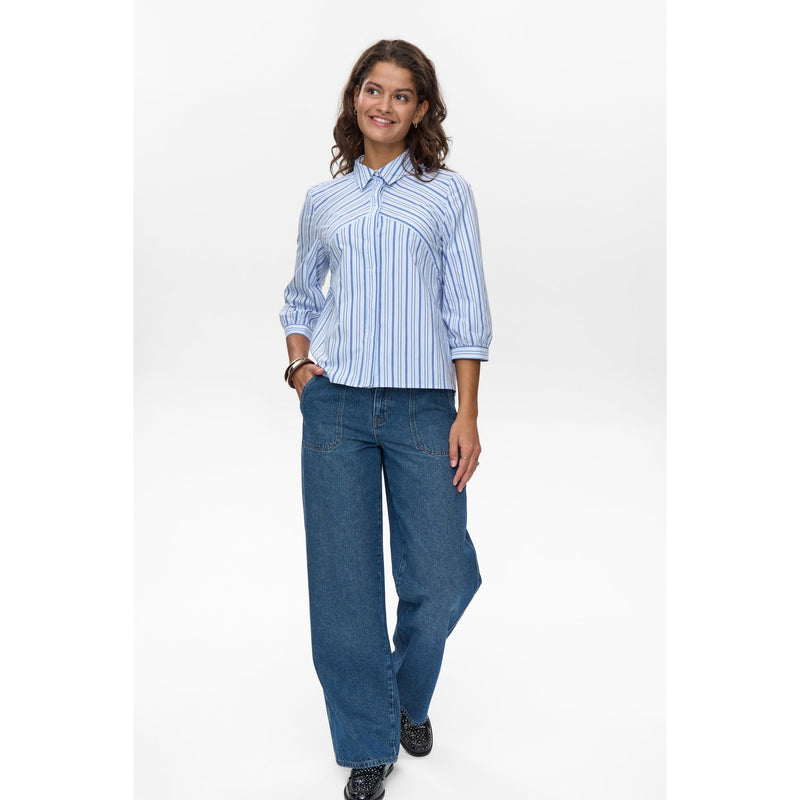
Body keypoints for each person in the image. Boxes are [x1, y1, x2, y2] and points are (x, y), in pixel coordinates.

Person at [279, 39, 492, 800]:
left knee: (441, 573)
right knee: (343, 583)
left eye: (402, 95)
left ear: (421, 110)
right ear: (355, 96)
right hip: (335, 403)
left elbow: (467, 308)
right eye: (374, 89)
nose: (384, 105)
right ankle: (370, 742)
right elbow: (300, 294)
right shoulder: (324, 200)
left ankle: (405, 692)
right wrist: (300, 368)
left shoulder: (446, 195)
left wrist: (467, 413)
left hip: (423, 407)